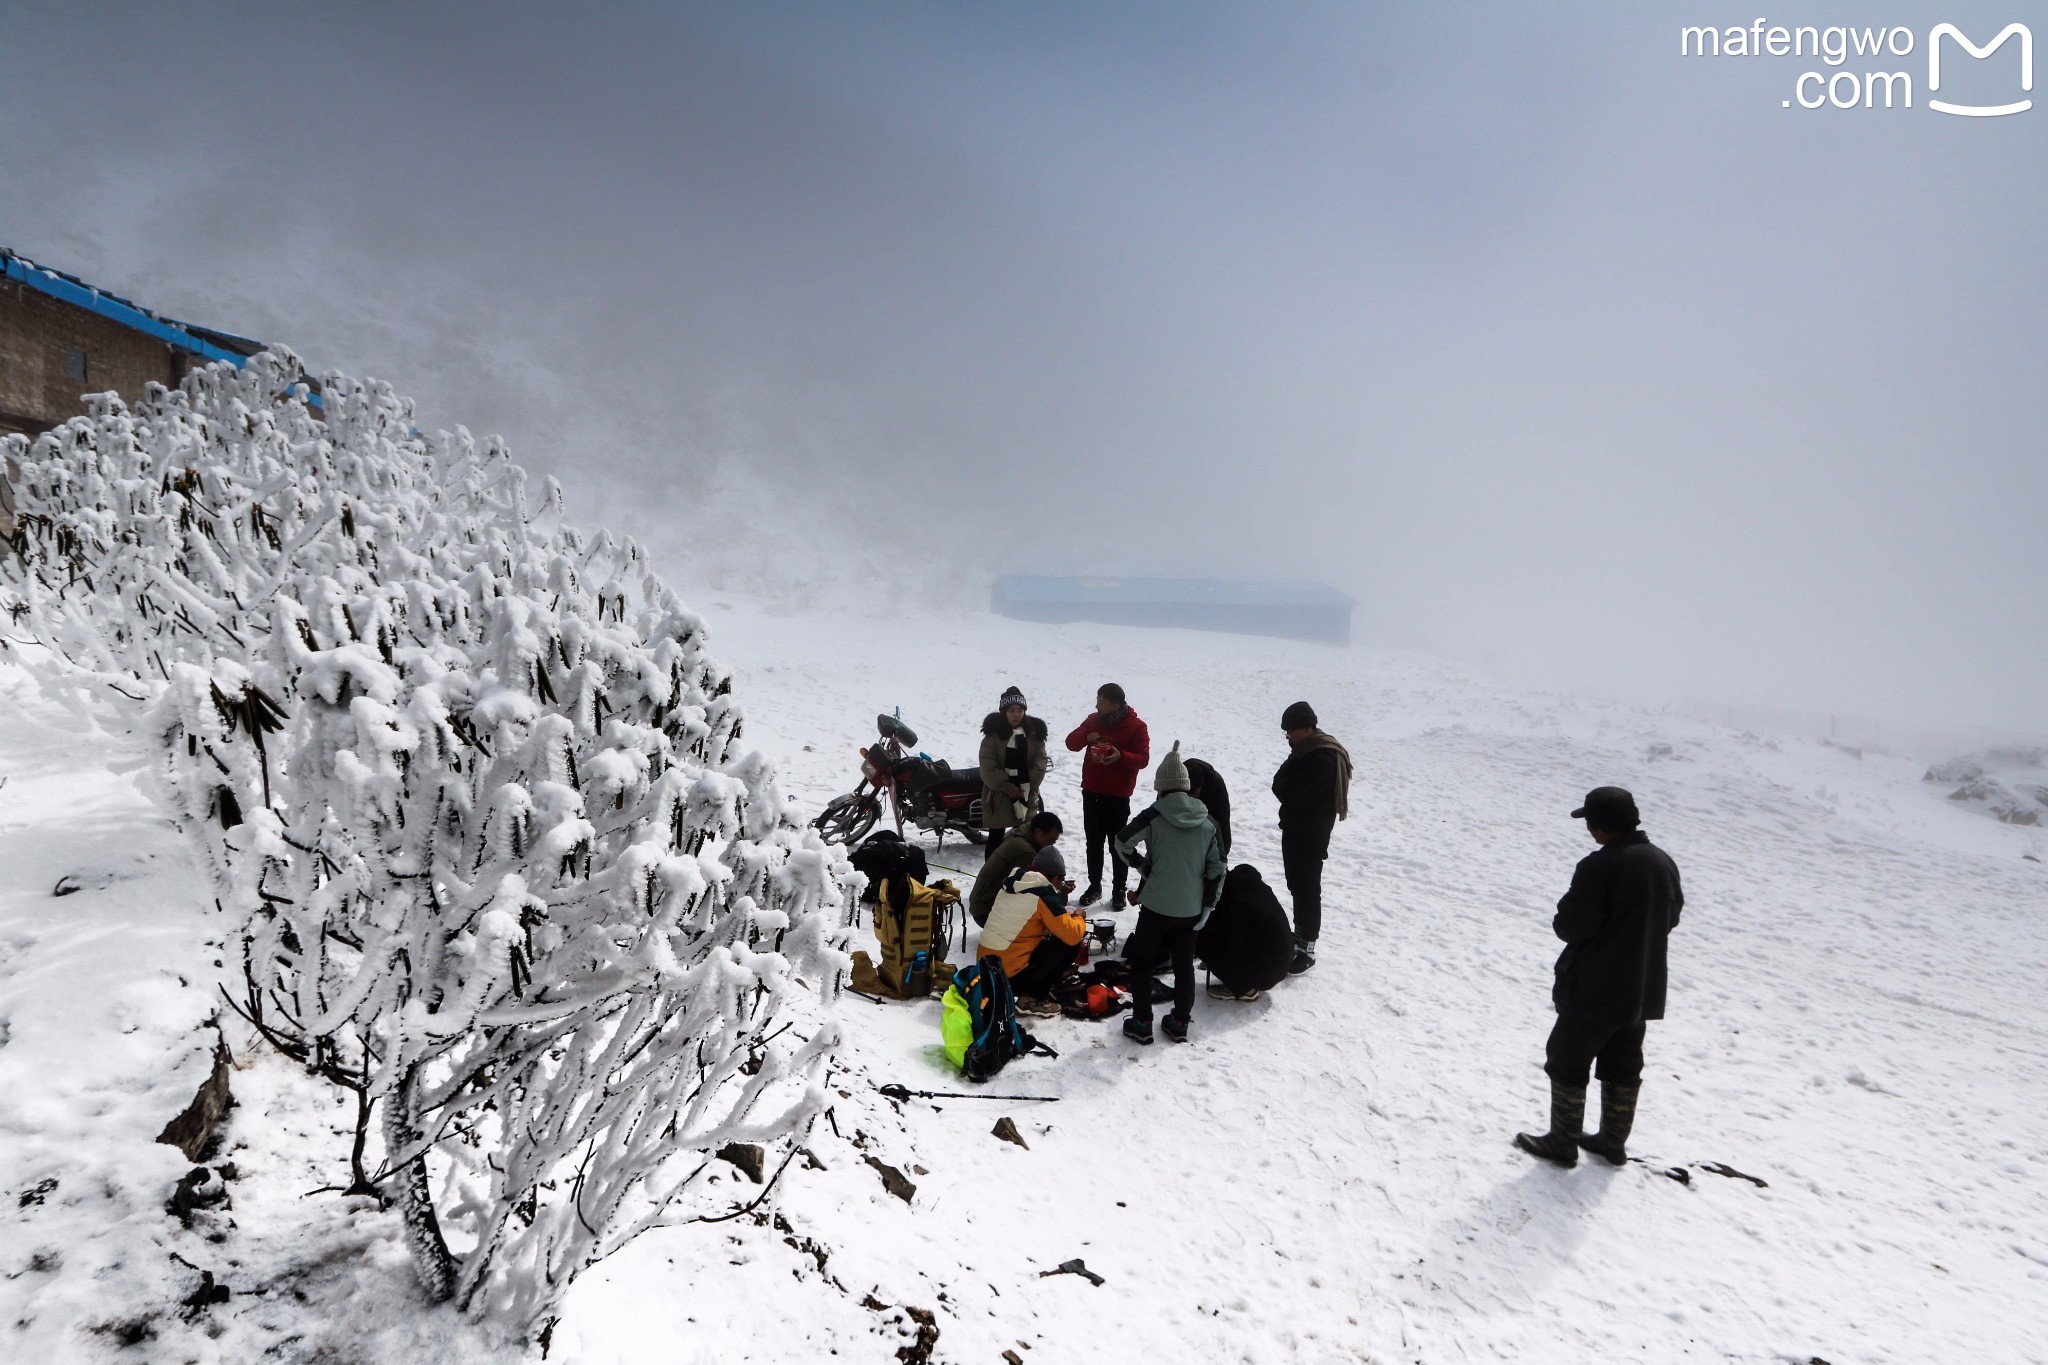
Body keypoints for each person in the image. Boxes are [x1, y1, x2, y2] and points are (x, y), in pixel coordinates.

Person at [1514, 786, 1684, 1168]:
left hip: (1595, 987)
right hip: (1641, 988)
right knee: (1624, 1064)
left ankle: (1562, 1142)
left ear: (1601, 824)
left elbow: (1571, 926)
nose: (1588, 829)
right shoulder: (1662, 861)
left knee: (1566, 1060)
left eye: (1589, 821)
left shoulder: (1600, 866)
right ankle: (1612, 1141)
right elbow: (1670, 918)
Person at [1115, 742, 1225, 1045]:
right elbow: (1218, 869)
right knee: (1183, 965)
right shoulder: (1208, 821)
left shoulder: (1154, 815)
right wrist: (1207, 907)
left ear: (1161, 788)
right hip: (1190, 910)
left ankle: (1141, 1022)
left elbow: (1122, 841)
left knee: (1142, 962)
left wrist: (1142, 867)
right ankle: (1179, 1023)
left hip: (1156, 907)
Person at [1270, 701, 1352, 975]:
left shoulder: (1322, 758)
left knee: (1306, 889)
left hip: (1310, 835)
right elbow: (1279, 783)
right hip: (1297, 830)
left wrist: (1286, 785)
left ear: (1307, 728)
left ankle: (1307, 948)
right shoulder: (1304, 751)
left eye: (1291, 731)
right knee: (1298, 886)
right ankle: (1300, 936)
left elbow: (1290, 792)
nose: (1288, 737)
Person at [1063, 683, 1150, 907]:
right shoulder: (1093, 720)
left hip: (1118, 797)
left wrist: (1121, 756)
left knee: (1117, 844)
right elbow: (1070, 744)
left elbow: (1143, 759)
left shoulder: (1136, 727)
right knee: (1093, 842)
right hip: (1091, 792)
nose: (1096, 704)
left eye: (1101, 701)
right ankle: (1094, 886)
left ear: (1115, 704)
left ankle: (1118, 890)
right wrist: (1086, 735)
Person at [977, 845, 1086, 1014]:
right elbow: (1072, 935)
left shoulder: (1013, 885)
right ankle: (1032, 998)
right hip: (1008, 978)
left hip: (985, 967)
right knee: (1069, 943)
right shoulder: (1043, 896)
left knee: (1047, 935)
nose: (1061, 885)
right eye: (1061, 880)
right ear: (1055, 878)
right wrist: (1078, 916)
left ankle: (1046, 976)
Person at [979, 686, 1048, 861]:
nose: (1016, 715)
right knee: (995, 838)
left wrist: (1027, 784)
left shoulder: (1034, 734)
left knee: (1027, 837)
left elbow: (1040, 762)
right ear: (1004, 712)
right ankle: (992, 875)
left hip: (1026, 793)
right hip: (1000, 795)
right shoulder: (992, 736)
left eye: (1020, 710)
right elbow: (988, 766)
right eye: (1011, 711)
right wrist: (1007, 786)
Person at [968, 811, 1064, 928]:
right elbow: (1036, 892)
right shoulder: (1025, 851)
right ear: (1038, 832)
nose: (1051, 846)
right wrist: (1058, 890)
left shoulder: (1022, 837)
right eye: (1050, 841)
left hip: (983, 905)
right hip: (986, 911)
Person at [1184, 757, 1232, 858]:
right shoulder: (1172, 781)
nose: (1191, 799)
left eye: (1194, 794)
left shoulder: (1216, 787)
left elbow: (1223, 825)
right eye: (1187, 795)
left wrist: (1221, 857)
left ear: (1201, 785)